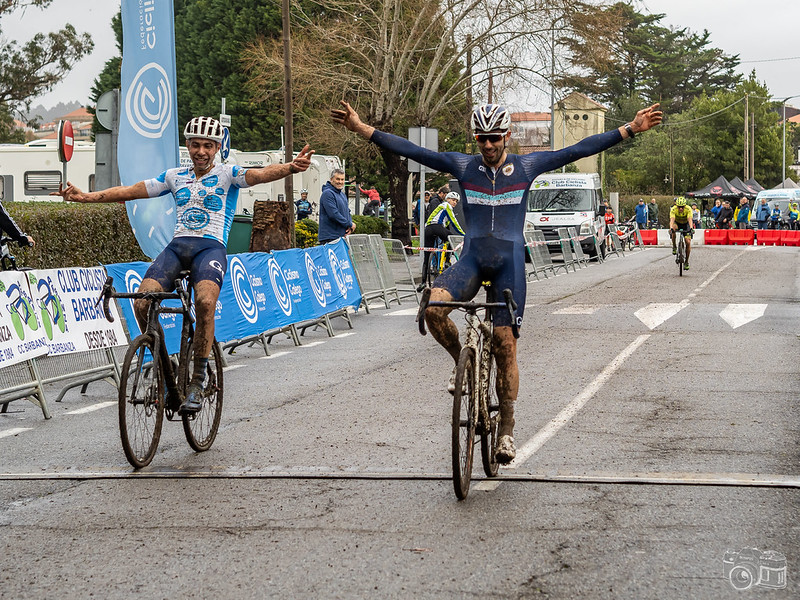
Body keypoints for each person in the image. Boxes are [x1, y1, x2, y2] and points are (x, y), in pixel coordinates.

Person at [331, 100, 662, 463]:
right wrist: (361, 127)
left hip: (509, 264)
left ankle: (506, 428)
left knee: (505, 344)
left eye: (493, 138)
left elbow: (579, 148)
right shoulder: (462, 165)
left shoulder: (527, 165)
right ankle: (463, 364)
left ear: (506, 136)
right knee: (435, 308)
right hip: (472, 259)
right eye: (481, 139)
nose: (487, 146)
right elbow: (413, 149)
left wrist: (630, 129)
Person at [53, 117, 313, 413]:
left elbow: (260, 174)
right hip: (176, 248)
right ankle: (166, 370)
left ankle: (199, 379)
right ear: (187, 146)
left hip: (210, 249)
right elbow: (131, 191)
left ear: (216, 148)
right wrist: (86, 197)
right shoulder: (174, 176)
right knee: (142, 304)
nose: (200, 151)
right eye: (194, 144)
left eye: (207, 145)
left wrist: (291, 167)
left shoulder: (229, 174)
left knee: (204, 303)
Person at [419, 191, 466, 288]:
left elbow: (447, 224)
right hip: (437, 227)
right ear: (447, 199)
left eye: (456, 201)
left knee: (427, 256)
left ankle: (423, 283)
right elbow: (454, 222)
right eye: (453, 200)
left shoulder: (441, 207)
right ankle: (448, 260)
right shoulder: (446, 206)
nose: (454, 203)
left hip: (428, 229)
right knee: (451, 238)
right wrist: (464, 234)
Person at [318, 169, 356, 244]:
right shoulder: (327, 194)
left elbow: (347, 211)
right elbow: (333, 214)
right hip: (330, 237)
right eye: (338, 179)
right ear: (331, 179)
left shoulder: (342, 195)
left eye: (342, 179)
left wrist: (349, 225)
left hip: (341, 236)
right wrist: (350, 224)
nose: (340, 182)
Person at [669, 196, 694, 270]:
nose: (680, 209)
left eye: (682, 207)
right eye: (679, 207)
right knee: (673, 229)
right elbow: (672, 219)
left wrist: (691, 228)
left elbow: (690, 219)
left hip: (686, 224)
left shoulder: (688, 209)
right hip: (677, 223)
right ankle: (674, 246)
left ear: (685, 206)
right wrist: (670, 228)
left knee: (688, 242)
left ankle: (686, 262)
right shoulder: (673, 209)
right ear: (676, 205)